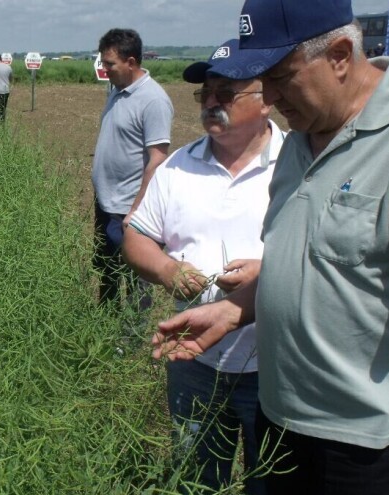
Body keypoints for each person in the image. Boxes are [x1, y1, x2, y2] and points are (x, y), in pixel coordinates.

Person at [153, 0, 389, 493]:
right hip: (281, 426)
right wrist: (233, 311)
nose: (268, 96)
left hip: (368, 449)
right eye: (260, 78)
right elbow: (318, 262)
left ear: (338, 55)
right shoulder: (297, 143)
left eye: (281, 77)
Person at [123, 38, 283, 495]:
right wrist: (169, 272)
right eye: (205, 93)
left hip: (274, 368)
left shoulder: (298, 163)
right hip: (193, 362)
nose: (211, 103)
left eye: (226, 93)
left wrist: (269, 272)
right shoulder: (177, 169)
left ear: (267, 98)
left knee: (270, 481)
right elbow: (135, 236)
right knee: (197, 478)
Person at [92, 28, 173, 305]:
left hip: (129, 207)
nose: (105, 69)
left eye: (110, 64)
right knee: (107, 268)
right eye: (103, 63)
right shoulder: (117, 91)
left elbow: (157, 159)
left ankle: (131, 338)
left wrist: (137, 210)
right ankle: (105, 324)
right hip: (106, 201)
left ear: (131, 62)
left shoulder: (153, 100)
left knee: (135, 274)